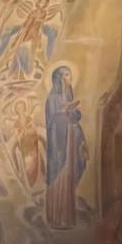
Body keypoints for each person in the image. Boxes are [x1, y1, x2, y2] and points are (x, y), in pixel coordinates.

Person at [45, 66, 87, 228]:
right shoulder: (52, 99)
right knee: (59, 176)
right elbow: (51, 122)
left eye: (70, 74)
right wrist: (64, 112)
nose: (70, 78)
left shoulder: (68, 96)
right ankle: (56, 218)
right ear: (60, 79)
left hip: (70, 142)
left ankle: (67, 218)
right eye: (67, 75)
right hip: (58, 145)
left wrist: (73, 112)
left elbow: (75, 118)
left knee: (69, 175)